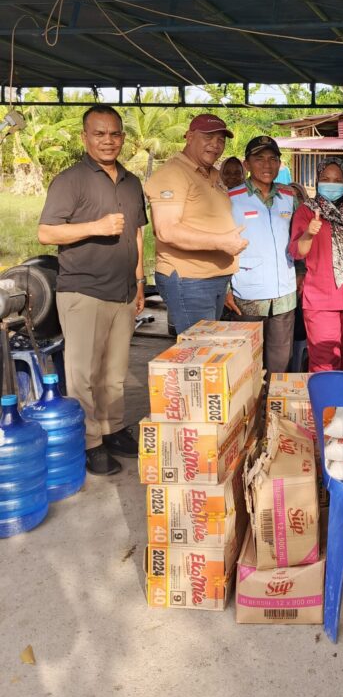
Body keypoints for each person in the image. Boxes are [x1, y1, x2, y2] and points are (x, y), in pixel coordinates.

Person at [38, 105, 147, 476]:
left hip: (123, 291)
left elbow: (137, 233)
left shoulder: (132, 182)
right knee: (84, 372)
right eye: (99, 133)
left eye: (115, 133)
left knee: (115, 372)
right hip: (83, 291)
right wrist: (95, 226)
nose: (108, 140)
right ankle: (89, 441)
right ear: (85, 137)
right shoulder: (70, 180)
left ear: (123, 138)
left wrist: (140, 282)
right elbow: (47, 232)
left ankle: (113, 429)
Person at [145, 114, 247, 335]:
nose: (216, 145)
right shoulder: (173, 173)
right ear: (189, 137)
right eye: (208, 137)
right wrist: (222, 242)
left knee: (208, 351)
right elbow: (167, 230)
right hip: (190, 280)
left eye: (221, 139)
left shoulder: (213, 173)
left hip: (213, 279)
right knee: (200, 353)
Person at [225, 135, 298, 376]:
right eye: (259, 159)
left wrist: (302, 273)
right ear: (247, 165)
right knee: (247, 366)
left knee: (280, 364)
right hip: (247, 294)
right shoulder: (230, 199)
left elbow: (300, 239)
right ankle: (250, 413)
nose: (267, 165)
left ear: (279, 164)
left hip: (284, 295)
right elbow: (221, 245)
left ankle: (274, 411)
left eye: (273, 159)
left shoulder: (289, 197)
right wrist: (225, 287)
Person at [289, 157, 343, 371]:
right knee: (324, 366)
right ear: (317, 180)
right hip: (320, 302)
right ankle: (323, 406)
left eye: (337, 179)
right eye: (325, 178)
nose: (331, 184)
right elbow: (298, 251)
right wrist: (308, 233)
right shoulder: (307, 210)